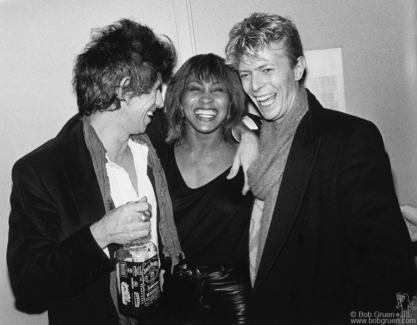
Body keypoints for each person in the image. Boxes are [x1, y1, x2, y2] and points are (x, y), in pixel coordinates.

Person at [225, 12, 417, 324]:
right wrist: (244, 132)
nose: (255, 86)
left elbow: (388, 268)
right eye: (245, 74)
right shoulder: (259, 139)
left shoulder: (350, 138)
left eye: (267, 69)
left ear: (297, 68)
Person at [7, 19, 183, 325]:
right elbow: (29, 285)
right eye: (155, 89)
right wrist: (101, 234)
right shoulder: (42, 171)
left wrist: (246, 131)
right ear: (124, 89)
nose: (160, 100)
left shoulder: (154, 135)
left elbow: (210, 118)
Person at [158, 53, 255, 325]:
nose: (206, 99)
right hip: (174, 296)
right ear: (178, 99)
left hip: (237, 297)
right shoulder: (156, 154)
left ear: (231, 100)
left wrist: (248, 133)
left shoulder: (250, 154)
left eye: (218, 90)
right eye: (195, 88)